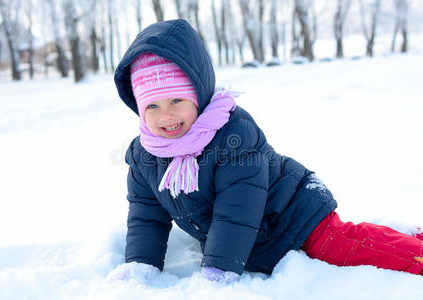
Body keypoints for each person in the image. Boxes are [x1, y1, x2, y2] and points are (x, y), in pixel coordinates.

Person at [112, 19, 423, 283]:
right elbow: (145, 215)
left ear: (199, 94)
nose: (166, 116)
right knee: (349, 241)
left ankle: (416, 253)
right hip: (256, 239)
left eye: (176, 101)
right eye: (152, 105)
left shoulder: (232, 134)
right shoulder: (145, 156)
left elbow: (237, 205)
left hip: (291, 213)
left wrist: (220, 264)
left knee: (340, 246)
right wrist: (142, 263)